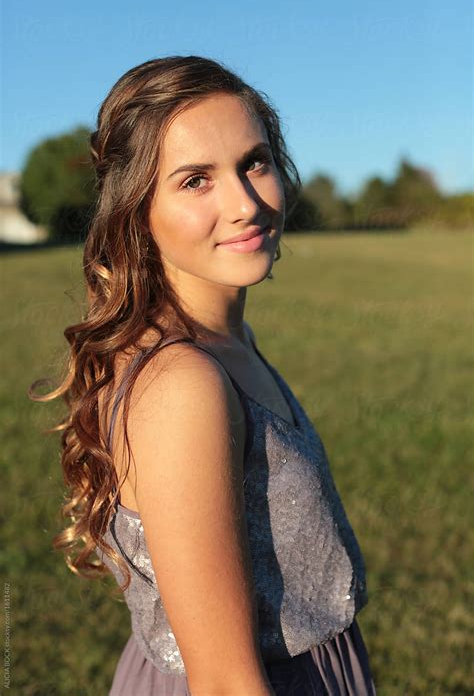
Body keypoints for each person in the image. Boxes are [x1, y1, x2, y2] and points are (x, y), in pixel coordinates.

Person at [33, 55, 377, 695]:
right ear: (137, 208)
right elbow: (222, 679)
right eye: (196, 180)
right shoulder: (183, 384)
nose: (245, 203)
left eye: (255, 162)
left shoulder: (225, 341)